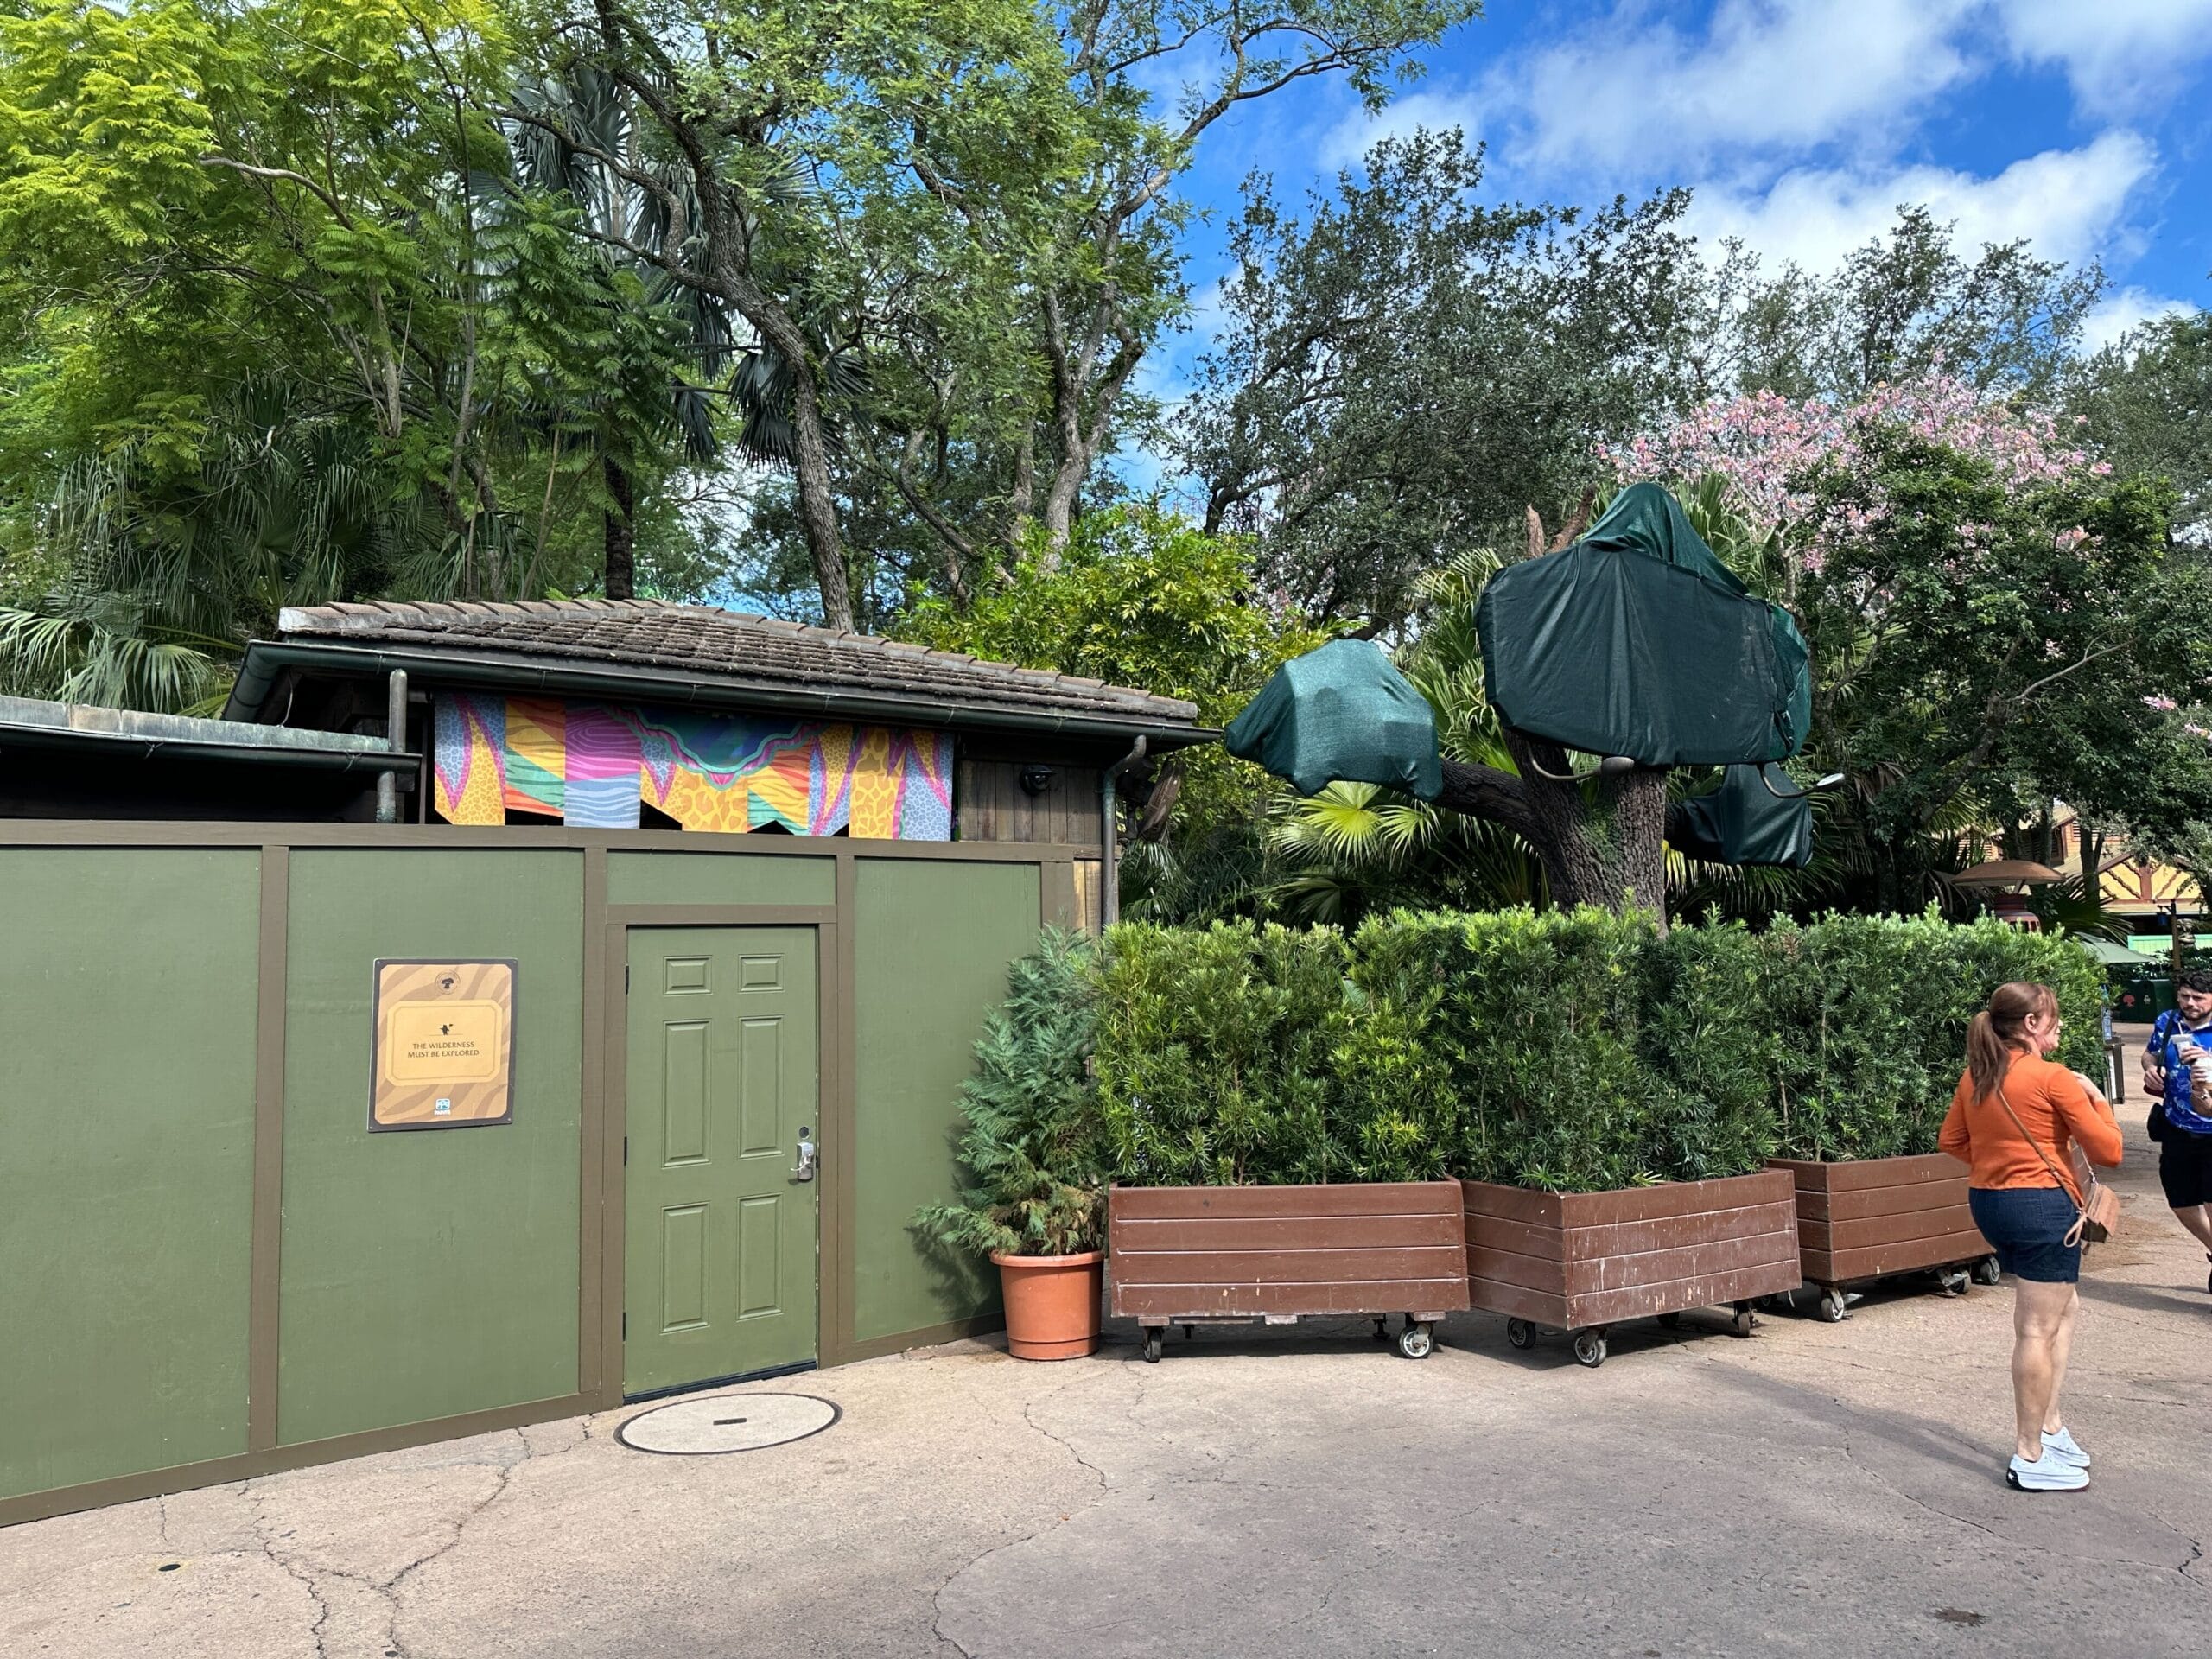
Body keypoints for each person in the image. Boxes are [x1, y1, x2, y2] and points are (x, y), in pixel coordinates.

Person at [1938, 982, 2123, 1493]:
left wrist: (2000, 1167)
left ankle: (2052, 1425)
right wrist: (2098, 1099)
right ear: (2031, 1025)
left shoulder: (1976, 1075)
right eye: (2054, 1017)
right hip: (2042, 1207)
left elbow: (1951, 1140)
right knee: (2036, 1328)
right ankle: (2029, 1452)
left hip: (1992, 1203)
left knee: (2064, 1311)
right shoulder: (2054, 1078)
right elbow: (2109, 1150)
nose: (2059, 1025)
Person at [2139, 968, 2212, 1291]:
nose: (2190, 1003)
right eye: (2185, 996)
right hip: (2176, 1126)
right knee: (2181, 1201)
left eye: (2198, 998)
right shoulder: (2168, 1021)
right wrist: (2151, 1069)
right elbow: (2150, 1053)